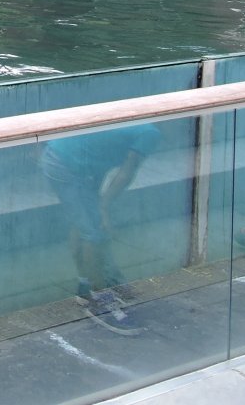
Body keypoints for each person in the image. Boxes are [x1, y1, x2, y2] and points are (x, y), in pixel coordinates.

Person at [40, 124, 161, 335]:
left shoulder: (139, 118)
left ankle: (85, 285)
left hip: (74, 160)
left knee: (84, 224)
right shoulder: (151, 132)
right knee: (94, 232)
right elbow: (127, 171)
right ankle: (101, 302)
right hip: (66, 163)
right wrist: (104, 207)